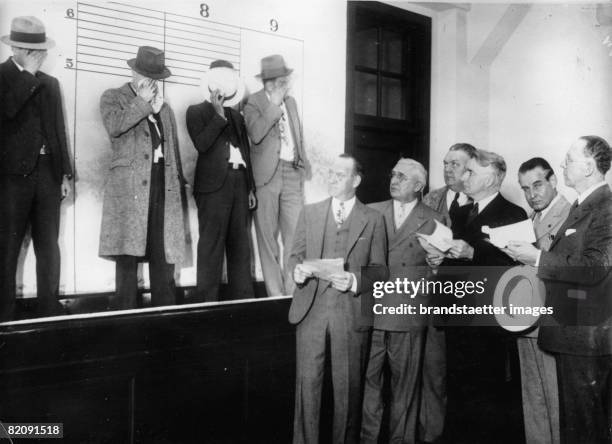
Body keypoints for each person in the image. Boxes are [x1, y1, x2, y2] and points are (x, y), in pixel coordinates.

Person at [507, 136, 612, 444]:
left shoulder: (604, 206)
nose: (564, 165)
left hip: (587, 337)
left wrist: (537, 257)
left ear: (589, 167)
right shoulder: (583, 206)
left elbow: (595, 267)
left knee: (585, 428)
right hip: (573, 334)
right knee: (576, 426)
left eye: (569, 160)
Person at [289, 154, 386, 444]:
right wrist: (297, 272)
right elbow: (295, 255)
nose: (331, 178)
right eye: (330, 173)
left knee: (348, 392)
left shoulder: (373, 219)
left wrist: (355, 281)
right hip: (311, 312)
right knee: (307, 390)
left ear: (356, 180)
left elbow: (380, 272)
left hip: (350, 315)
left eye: (340, 174)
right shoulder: (310, 212)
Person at [361, 158, 445, 444]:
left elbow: (438, 272)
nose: (394, 180)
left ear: (419, 186)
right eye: (393, 174)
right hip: (371, 314)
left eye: (403, 177)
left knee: (405, 390)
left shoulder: (435, 219)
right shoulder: (371, 212)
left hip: (408, 315)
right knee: (368, 387)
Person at [98, 46, 187, 309]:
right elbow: (115, 127)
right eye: (145, 76)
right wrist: (142, 103)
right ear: (133, 72)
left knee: (163, 254)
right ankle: (125, 323)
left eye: (155, 78)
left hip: (162, 185)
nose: (151, 83)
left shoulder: (164, 108)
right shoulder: (113, 97)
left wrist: (177, 183)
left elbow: (173, 153)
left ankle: (165, 319)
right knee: (128, 256)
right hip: (130, 189)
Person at [0, 16, 73, 320]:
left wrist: (66, 174)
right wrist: (28, 75)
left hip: (48, 174)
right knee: (7, 246)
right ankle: (3, 313)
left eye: (38, 50)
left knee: (49, 245)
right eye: (30, 49)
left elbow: (58, 130)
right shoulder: (2, 76)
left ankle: (48, 309)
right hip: (11, 178)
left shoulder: (51, 84)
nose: (36, 55)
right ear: (15, 47)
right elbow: (7, 111)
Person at [186, 60, 256, 302]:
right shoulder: (195, 111)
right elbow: (202, 144)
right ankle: (206, 304)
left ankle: (243, 303)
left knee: (241, 247)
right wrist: (217, 116)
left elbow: (245, 151)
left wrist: (251, 187)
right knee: (211, 247)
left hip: (239, 182)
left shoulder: (237, 116)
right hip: (213, 188)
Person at [420, 143, 476, 443]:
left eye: (455, 164)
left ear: (471, 168)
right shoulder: (431, 198)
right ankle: (432, 435)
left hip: (468, 301)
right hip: (435, 297)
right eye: (445, 163)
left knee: (465, 376)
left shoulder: (480, 201)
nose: (447, 169)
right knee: (434, 372)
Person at [514, 157, 570, 444]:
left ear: (553, 181)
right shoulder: (529, 219)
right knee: (533, 400)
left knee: (555, 399)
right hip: (525, 320)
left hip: (553, 322)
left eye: (537, 185)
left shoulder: (571, 215)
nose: (531, 194)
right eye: (525, 188)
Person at [244, 54, 308, 297]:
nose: (279, 83)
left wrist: (301, 161)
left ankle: (293, 296)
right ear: (266, 82)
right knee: (268, 241)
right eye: (274, 80)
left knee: (295, 239)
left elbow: (296, 133)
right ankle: (275, 297)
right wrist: (273, 104)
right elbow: (256, 134)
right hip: (266, 177)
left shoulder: (291, 102)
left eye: (282, 79)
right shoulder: (253, 103)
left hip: (291, 172)